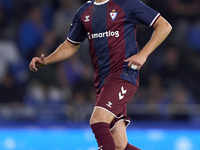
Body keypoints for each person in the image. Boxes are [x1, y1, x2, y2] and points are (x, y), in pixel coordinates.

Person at [29, 0, 172, 149]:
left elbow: (164, 26)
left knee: (98, 120)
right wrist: (47, 60)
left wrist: (143, 54)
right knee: (118, 145)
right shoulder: (84, 11)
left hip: (123, 74)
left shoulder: (126, 4)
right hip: (102, 81)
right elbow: (71, 45)